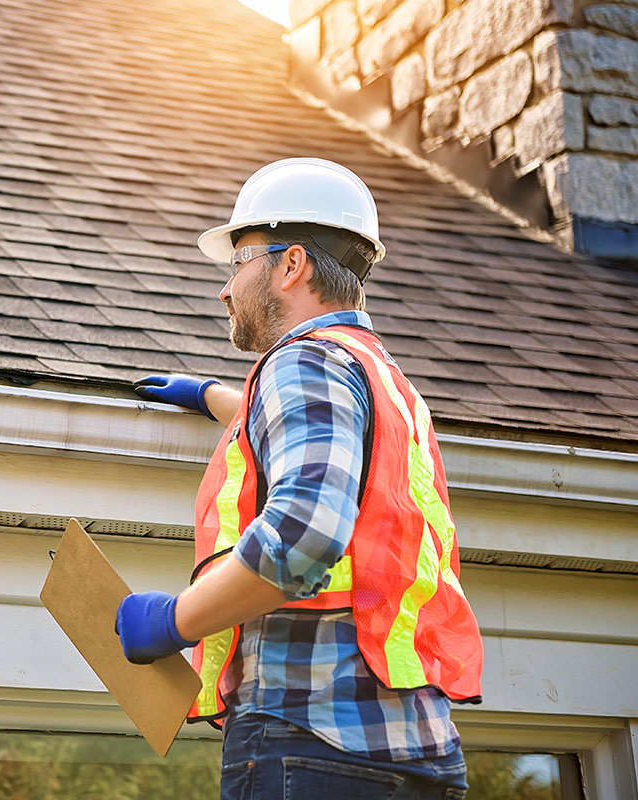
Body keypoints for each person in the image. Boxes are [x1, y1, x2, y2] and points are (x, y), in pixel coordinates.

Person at [116, 158, 484, 799]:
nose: (225, 290)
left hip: (311, 741)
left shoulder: (303, 363)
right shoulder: (381, 377)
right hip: (411, 751)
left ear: (291, 265)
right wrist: (218, 398)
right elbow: (331, 440)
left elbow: (304, 535)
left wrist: (176, 619)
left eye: (237, 263)